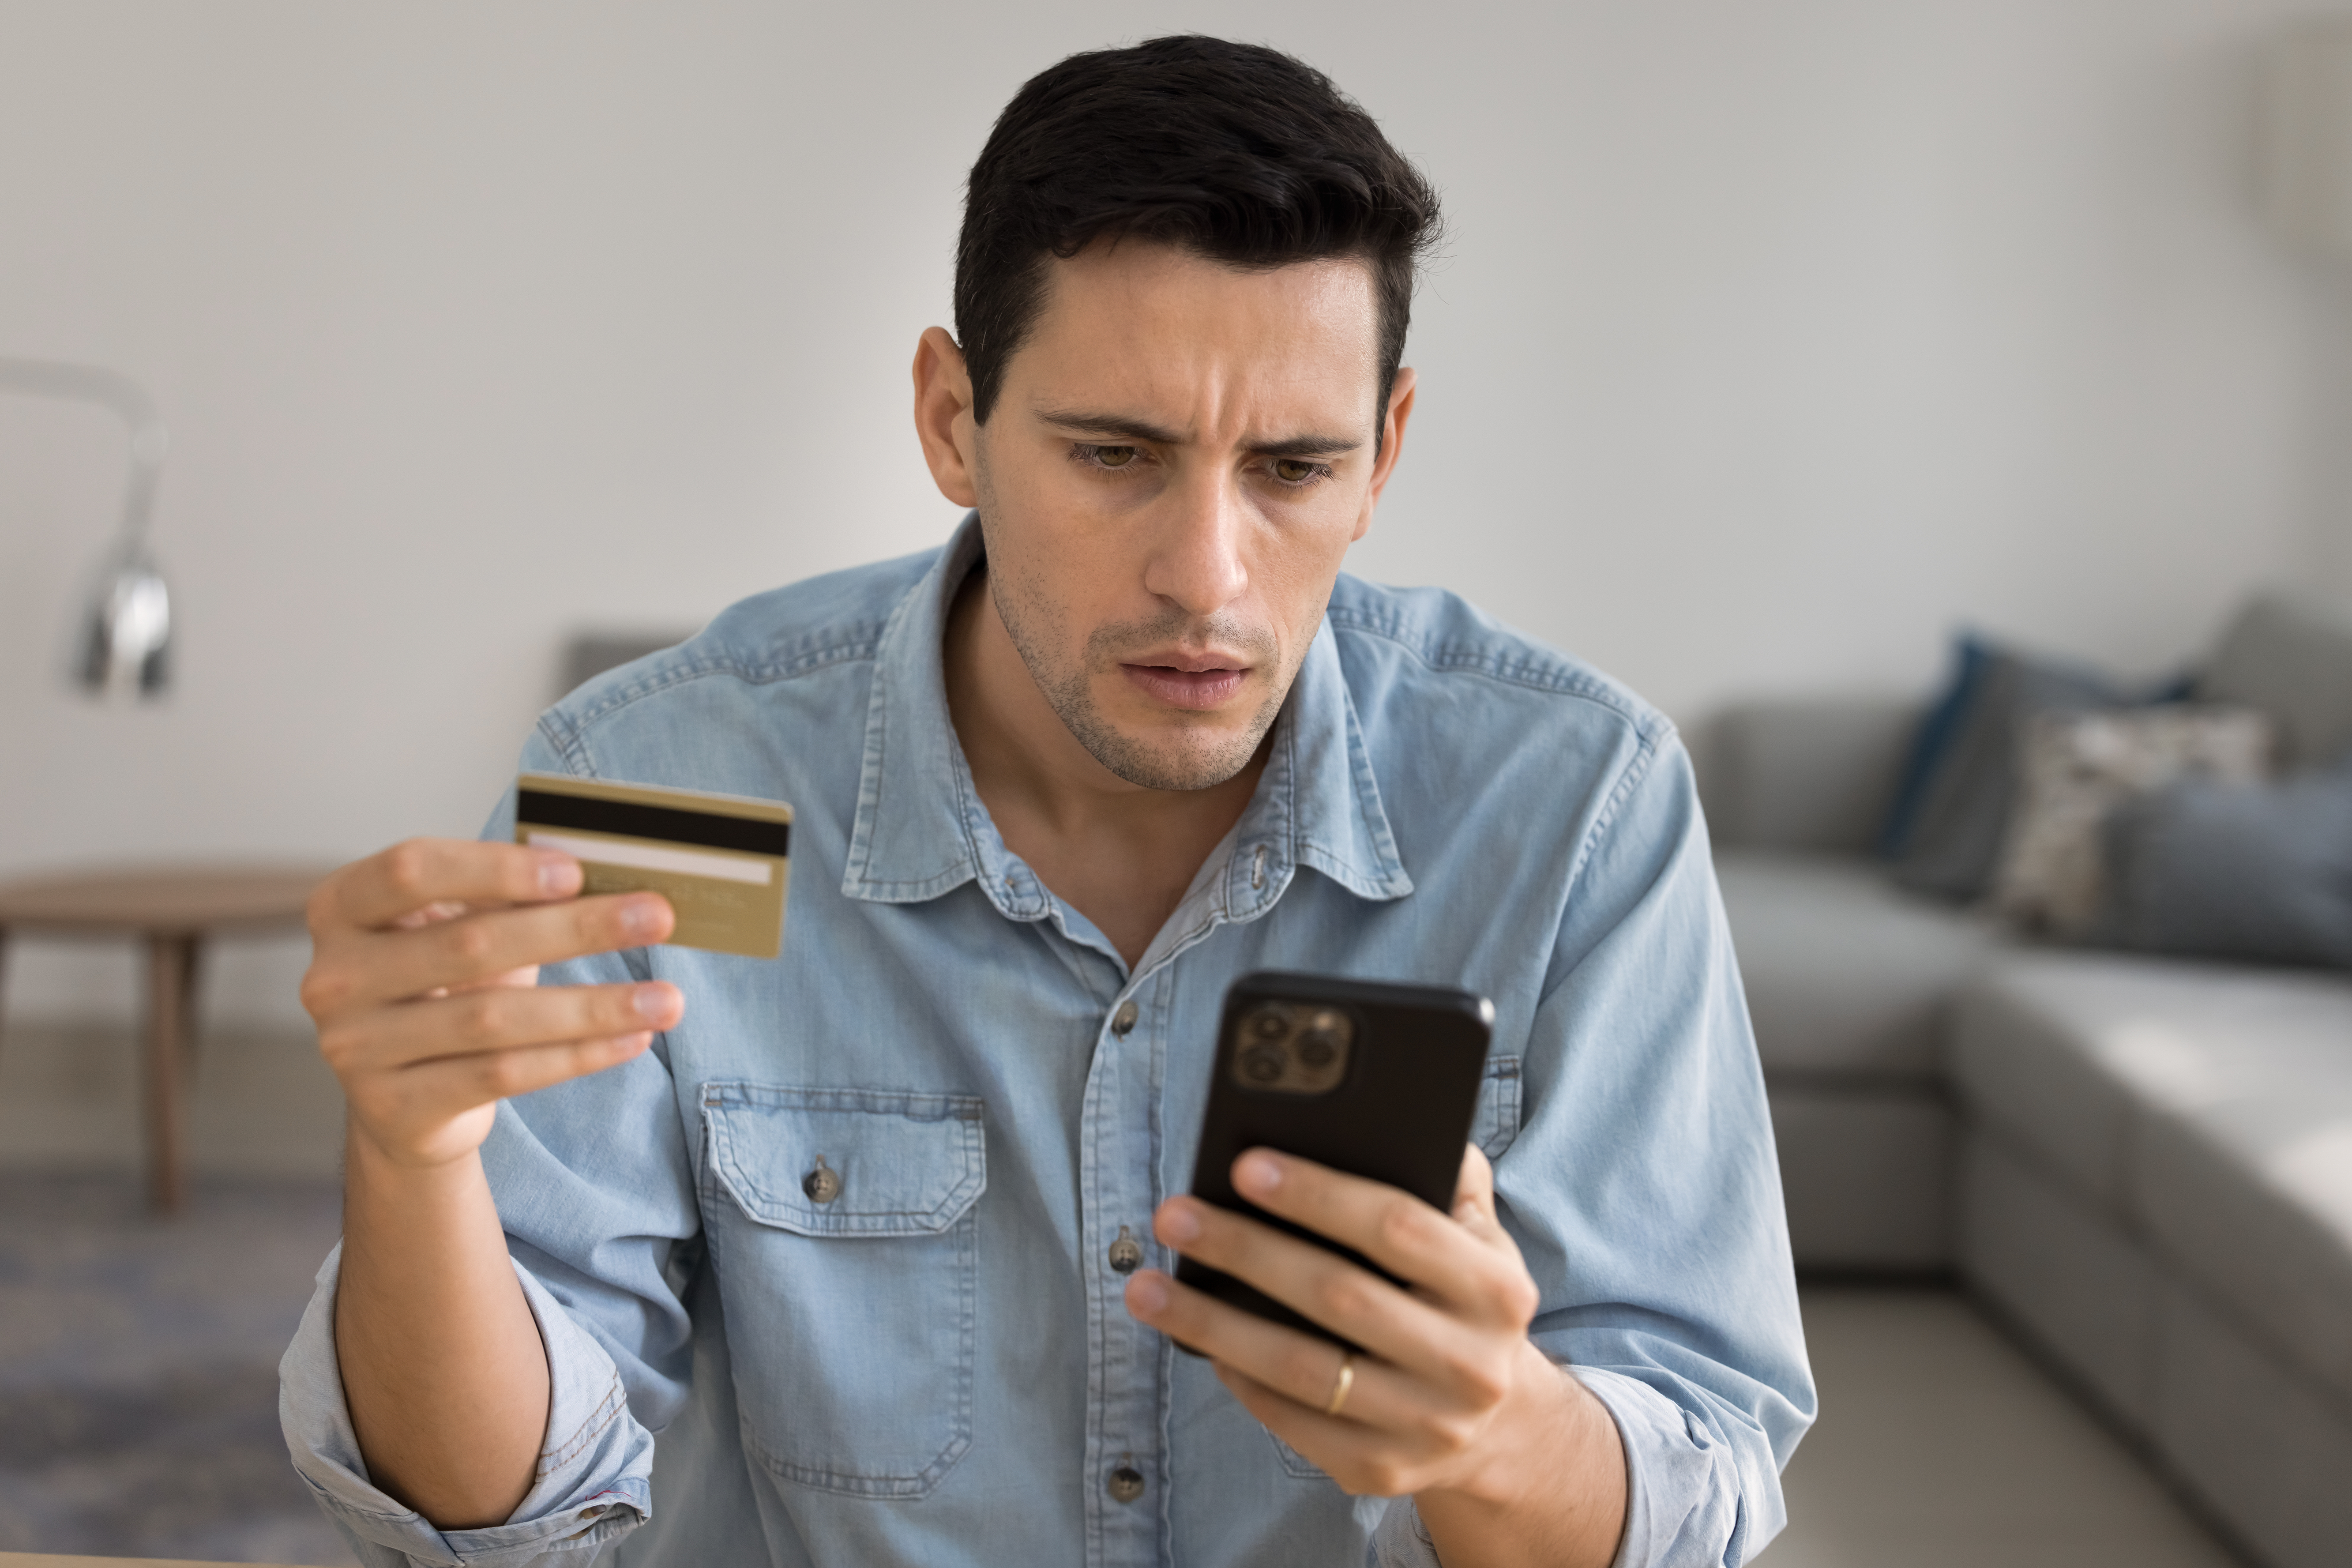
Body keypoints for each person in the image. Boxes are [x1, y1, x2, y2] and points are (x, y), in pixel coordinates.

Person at [280, 34, 1813, 1568]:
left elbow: (1697, 1493)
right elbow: (500, 1532)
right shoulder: (671, 797)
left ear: (1384, 453)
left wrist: (1497, 1434)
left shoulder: (1572, 811)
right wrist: (410, 1162)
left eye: (1293, 467)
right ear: (955, 421)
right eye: (1115, 455)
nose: (1206, 577)